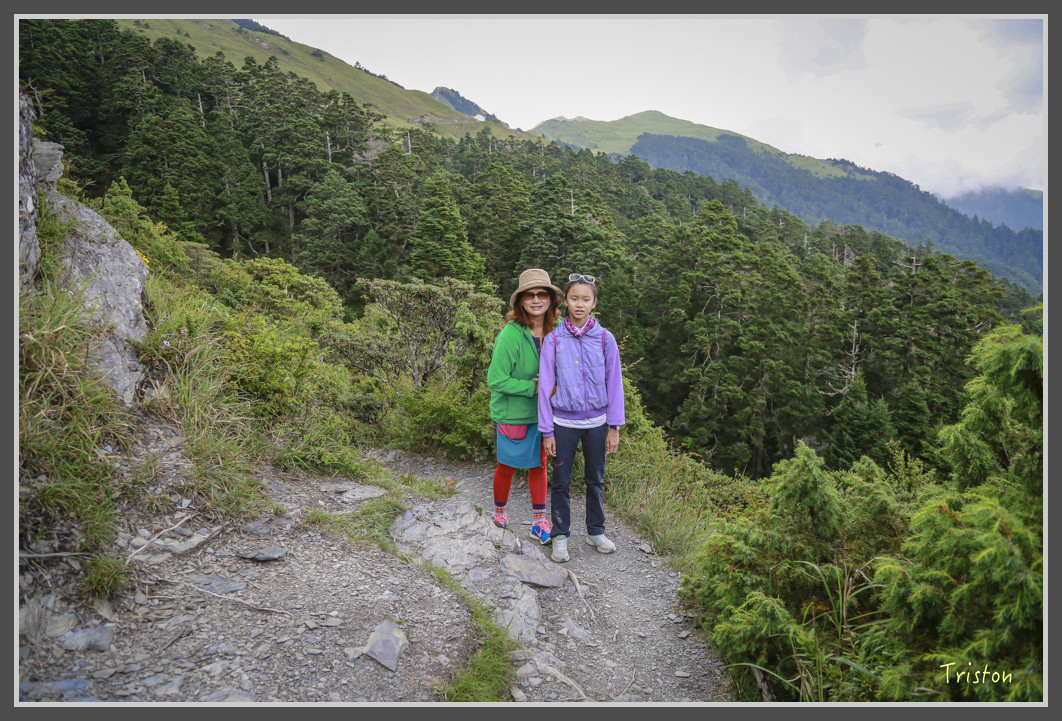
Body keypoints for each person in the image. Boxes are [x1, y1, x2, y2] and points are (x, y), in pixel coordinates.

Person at [538, 273, 625, 563]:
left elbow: (615, 383)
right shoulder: (554, 340)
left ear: (594, 303)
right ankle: (560, 535)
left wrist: (614, 426)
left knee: (595, 479)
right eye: (574, 298)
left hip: (597, 424)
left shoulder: (604, 338)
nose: (579, 304)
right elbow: (546, 387)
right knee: (561, 481)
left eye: (585, 299)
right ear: (566, 301)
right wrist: (547, 430)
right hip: (563, 424)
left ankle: (595, 531)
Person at [486, 268, 563, 545]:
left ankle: (539, 522)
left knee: (540, 465)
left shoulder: (557, 331)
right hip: (512, 413)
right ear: (520, 301)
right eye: (529, 295)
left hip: (544, 414)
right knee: (506, 465)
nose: (536, 299)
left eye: (542, 294)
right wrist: (534, 388)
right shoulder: (510, 334)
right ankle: (499, 514)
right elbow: (496, 380)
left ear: (551, 300)